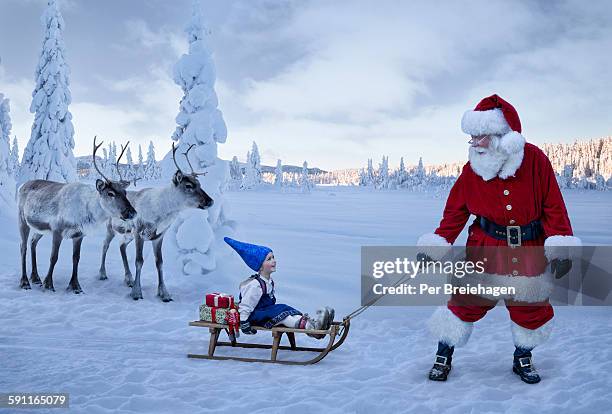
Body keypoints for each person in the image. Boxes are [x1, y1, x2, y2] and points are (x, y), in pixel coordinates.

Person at [417, 94, 580, 384]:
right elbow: (455, 211)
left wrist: (561, 249)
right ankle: (444, 353)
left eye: (481, 137)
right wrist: (437, 244)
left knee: (530, 307)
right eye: (473, 138)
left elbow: (554, 206)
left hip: (528, 249)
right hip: (485, 249)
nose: (474, 144)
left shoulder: (536, 161)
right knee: (465, 302)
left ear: (503, 136)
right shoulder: (472, 170)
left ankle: (522, 357)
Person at [224, 237, 334, 338]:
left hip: (266, 312)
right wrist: (244, 322)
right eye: (269, 259)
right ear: (260, 266)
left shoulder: (268, 281)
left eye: (273, 257)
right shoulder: (255, 285)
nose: (274, 261)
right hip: (256, 316)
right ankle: (311, 328)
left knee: (286, 309)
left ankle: (314, 324)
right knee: (284, 317)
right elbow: (246, 305)